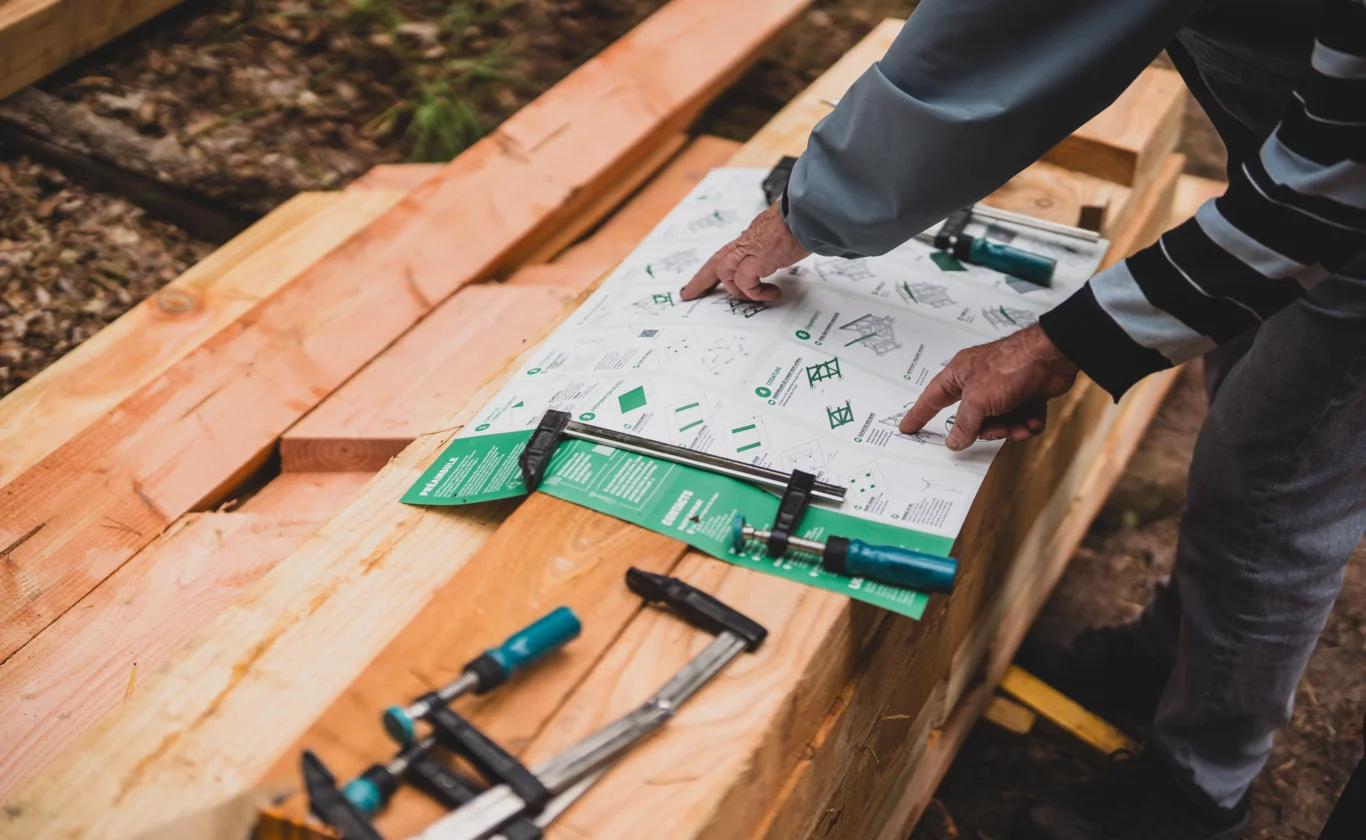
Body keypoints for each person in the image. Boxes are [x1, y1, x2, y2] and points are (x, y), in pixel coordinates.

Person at [680, 0, 1366, 837]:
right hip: (1300, 163)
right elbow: (997, 31)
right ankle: (1178, 656)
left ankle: (1198, 792)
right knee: (1241, 393)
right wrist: (807, 210)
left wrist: (1062, 342)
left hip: (1347, 206)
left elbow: (1331, 186)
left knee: (1268, 488)